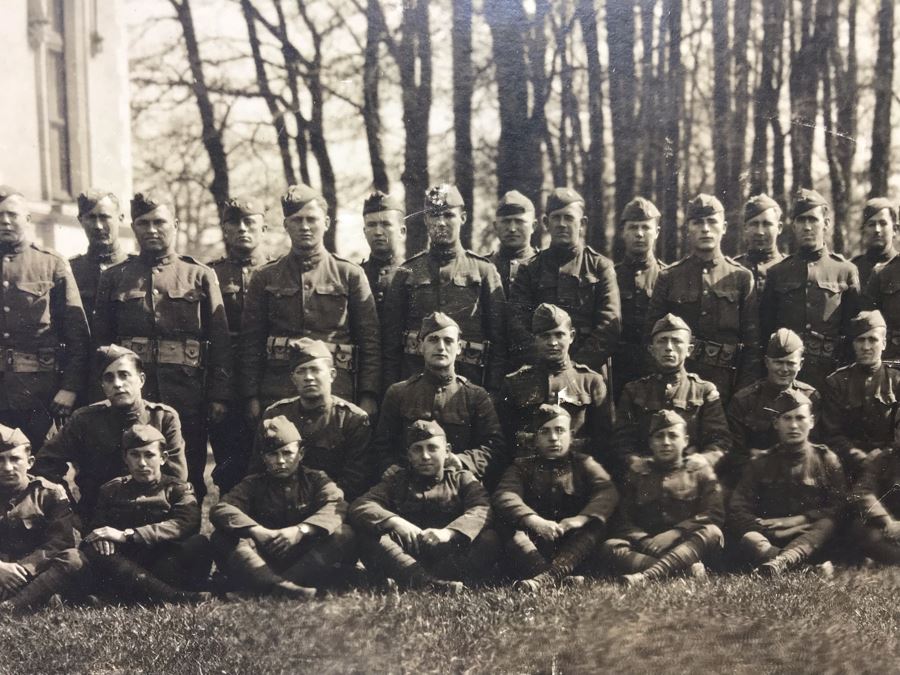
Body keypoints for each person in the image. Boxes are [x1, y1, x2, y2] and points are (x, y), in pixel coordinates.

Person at [92, 192, 232, 502]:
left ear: (176, 225)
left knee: (187, 473)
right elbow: (101, 345)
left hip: (187, 395)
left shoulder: (199, 275)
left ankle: (184, 539)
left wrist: (219, 395)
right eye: (143, 223)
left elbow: (220, 341)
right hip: (132, 396)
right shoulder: (115, 278)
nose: (152, 230)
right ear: (133, 226)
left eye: (160, 222)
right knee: (131, 469)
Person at [241, 183, 380, 417]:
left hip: (338, 389)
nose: (305, 227)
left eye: (312, 219)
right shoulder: (265, 276)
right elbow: (251, 342)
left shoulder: (349, 274)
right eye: (296, 220)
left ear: (325, 223)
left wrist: (368, 395)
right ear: (286, 226)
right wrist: (251, 396)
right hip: (279, 390)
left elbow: (370, 342)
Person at [33, 345, 187, 521]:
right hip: (100, 517)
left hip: (153, 515)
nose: (117, 384)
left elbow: (177, 477)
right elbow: (45, 463)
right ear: (103, 386)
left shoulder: (163, 417)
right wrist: (70, 508)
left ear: (141, 380)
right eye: (109, 378)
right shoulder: (85, 419)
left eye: (124, 375)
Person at [211, 416, 357, 599]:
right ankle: (288, 590)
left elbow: (336, 505)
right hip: (264, 556)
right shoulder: (253, 484)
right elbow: (222, 508)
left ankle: (268, 588)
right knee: (221, 537)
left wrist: (301, 530)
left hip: (304, 557)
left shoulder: (316, 479)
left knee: (346, 533)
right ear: (264, 458)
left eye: (287, 453)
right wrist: (258, 531)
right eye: (273, 454)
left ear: (301, 454)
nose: (280, 461)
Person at [350, 419, 500, 593]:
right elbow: (361, 504)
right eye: (417, 449)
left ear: (447, 451)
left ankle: (417, 579)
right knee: (368, 534)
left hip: (449, 552)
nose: (425, 456)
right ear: (409, 455)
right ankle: (427, 583)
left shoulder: (462, 478)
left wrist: (449, 533)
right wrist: (396, 522)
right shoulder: (397, 480)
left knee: (490, 539)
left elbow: (482, 508)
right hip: (407, 551)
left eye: (432, 448)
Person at [382, 183, 506, 391]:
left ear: (463, 218)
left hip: (470, 384)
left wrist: (491, 391)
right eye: (434, 215)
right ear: (425, 219)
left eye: (448, 215)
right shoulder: (407, 272)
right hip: (415, 384)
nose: (440, 223)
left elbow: (499, 341)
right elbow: (390, 344)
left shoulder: (484, 271)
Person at [0, 186, 90, 450]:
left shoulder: (52, 264)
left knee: (44, 467)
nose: (4, 220)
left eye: (12, 214)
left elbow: (77, 336)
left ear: (28, 219)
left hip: (40, 393)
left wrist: (70, 388)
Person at [646, 193, 760, 403]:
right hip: (681, 383)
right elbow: (652, 334)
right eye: (698, 223)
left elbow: (753, 344)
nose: (705, 229)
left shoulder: (741, 277)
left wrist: (743, 391)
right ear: (688, 229)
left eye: (712, 222)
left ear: (724, 227)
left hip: (727, 382)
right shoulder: (669, 276)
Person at [493, 405, 618, 592]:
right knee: (509, 526)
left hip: (574, 544)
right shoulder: (521, 467)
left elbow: (607, 491)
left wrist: (580, 519)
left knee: (596, 524)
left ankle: (545, 579)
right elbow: (505, 495)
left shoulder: (584, 464)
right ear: (535, 438)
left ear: (571, 435)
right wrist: (534, 521)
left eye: (560, 431)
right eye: (545, 432)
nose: (553, 438)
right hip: (537, 543)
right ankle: (554, 575)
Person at [81, 425, 212, 604]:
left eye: (149, 455)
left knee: (199, 543)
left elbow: (186, 522)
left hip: (163, 558)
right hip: (127, 561)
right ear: (125, 458)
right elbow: (97, 525)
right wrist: (101, 538)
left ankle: (126, 596)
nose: (142, 463)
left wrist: (129, 535)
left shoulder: (178, 489)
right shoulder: (111, 489)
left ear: (163, 458)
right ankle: (174, 597)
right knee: (94, 550)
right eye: (134, 455)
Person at [372, 313, 504, 485]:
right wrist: (390, 467)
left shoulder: (476, 396)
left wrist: (463, 461)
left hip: (458, 486)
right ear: (420, 346)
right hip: (407, 486)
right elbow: (381, 445)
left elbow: (495, 447)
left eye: (448, 341)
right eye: (433, 340)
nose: (441, 347)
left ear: (459, 348)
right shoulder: (398, 393)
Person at [728, 389, 846, 577]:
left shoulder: (826, 459)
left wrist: (801, 520)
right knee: (749, 538)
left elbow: (839, 506)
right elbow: (737, 508)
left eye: (800, 418)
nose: (793, 425)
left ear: (812, 422)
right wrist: (768, 529)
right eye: (787, 418)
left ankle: (780, 563)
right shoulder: (760, 462)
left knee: (827, 524)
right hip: (771, 537)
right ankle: (800, 568)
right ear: (776, 423)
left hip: (810, 537)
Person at [601, 410, 724, 586]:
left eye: (673, 436)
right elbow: (622, 519)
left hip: (688, 544)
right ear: (651, 442)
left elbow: (713, 513)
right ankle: (682, 570)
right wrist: (644, 540)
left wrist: (677, 532)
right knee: (611, 546)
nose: (665, 442)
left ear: (686, 441)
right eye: (659, 436)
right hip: (649, 547)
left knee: (713, 532)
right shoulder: (637, 473)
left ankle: (647, 576)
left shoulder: (700, 471)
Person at [509, 187, 620, 375]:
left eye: (569, 218)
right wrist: (545, 365)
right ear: (546, 223)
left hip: (588, 372)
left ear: (582, 223)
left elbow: (609, 327)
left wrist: (574, 370)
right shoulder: (529, 269)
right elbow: (517, 324)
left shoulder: (600, 267)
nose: (562, 224)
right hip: (539, 370)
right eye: (556, 217)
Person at [761, 188, 861, 393]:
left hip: (831, 374)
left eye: (813, 220)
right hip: (786, 375)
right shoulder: (777, 272)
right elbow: (766, 329)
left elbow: (853, 331)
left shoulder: (845, 270)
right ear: (794, 225)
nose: (807, 227)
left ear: (826, 223)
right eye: (801, 220)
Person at [247, 338, 371, 502]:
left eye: (315, 370)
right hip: (282, 503)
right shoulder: (276, 413)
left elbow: (354, 480)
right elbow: (258, 470)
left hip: (332, 504)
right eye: (301, 371)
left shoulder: (353, 419)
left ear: (332, 374)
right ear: (293, 378)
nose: (308, 377)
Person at [613, 314, 732, 477]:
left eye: (676, 341)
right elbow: (622, 440)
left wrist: (705, 459)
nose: (669, 347)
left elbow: (720, 440)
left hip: (690, 475)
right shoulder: (633, 391)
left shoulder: (704, 391)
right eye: (662, 341)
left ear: (690, 350)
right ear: (652, 350)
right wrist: (633, 461)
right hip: (645, 475)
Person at [207, 197, 270, 493]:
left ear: (264, 228)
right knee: (229, 466)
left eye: (250, 223)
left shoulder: (277, 271)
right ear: (225, 229)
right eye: (234, 223)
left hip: (268, 381)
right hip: (226, 385)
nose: (243, 229)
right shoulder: (211, 275)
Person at [501, 304, 611, 462]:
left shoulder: (590, 382)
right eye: (545, 336)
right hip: (529, 473)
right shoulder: (514, 382)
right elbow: (506, 441)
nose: (552, 342)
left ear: (571, 336)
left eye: (559, 335)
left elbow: (603, 442)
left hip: (577, 472)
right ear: (535, 338)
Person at [0, 425, 82, 613]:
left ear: (29, 462)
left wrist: (23, 569)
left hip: (34, 573)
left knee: (73, 559)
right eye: (0, 460)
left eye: (14, 459)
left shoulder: (49, 493)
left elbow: (60, 542)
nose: (7, 467)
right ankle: (37, 599)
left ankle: (10, 607)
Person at [726, 328, 819, 485]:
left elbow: (818, 448)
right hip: (757, 480)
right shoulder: (743, 400)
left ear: (801, 364)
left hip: (801, 479)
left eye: (790, 363)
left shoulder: (811, 398)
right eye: (778, 362)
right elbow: (734, 455)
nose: (784, 369)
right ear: (767, 362)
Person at [820, 310, 900, 479]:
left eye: (873, 340)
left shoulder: (897, 381)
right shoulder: (836, 383)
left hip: (891, 468)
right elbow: (832, 435)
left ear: (884, 343)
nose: (866, 347)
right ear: (853, 344)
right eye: (860, 340)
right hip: (848, 468)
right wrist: (861, 459)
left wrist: (883, 457)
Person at [613, 196, 665, 396]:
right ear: (623, 233)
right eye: (633, 228)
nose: (640, 234)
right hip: (618, 368)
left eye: (646, 227)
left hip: (655, 367)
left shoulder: (666, 276)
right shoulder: (610, 276)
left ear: (657, 232)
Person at [70, 189, 129, 326]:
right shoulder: (69, 271)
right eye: (91, 218)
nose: (98, 226)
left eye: (104, 217)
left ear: (120, 218)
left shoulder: (136, 268)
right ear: (80, 220)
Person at [849, 424, 900, 565]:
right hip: (887, 526)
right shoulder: (883, 459)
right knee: (861, 529)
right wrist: (887, 522)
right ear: (896, 433)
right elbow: (863, 491)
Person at [361, 190, 406, 319]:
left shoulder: (413, 274)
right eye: (371, 225)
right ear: (364, 232)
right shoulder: (355, 275)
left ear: (402, 232)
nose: (378, 232)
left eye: (386, 224)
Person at [488, 190, 538, 296]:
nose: (512, 229)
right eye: (506, 221)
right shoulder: (484, 266)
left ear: (533, 226)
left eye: (519, 221)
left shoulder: (544, 264)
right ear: (496, 227)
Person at [733, 193, 784, 295]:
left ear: (779, 228)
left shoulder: (791, 269)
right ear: (745, 228)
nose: (760, 232)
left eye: (767, 224)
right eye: (754, 224)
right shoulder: (732, 269)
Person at [852, 198, 897, 288]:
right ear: (863, 231)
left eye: (883, 223)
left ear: (894, 229)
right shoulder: (852, 269)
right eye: (871, 224)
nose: (877, 230)